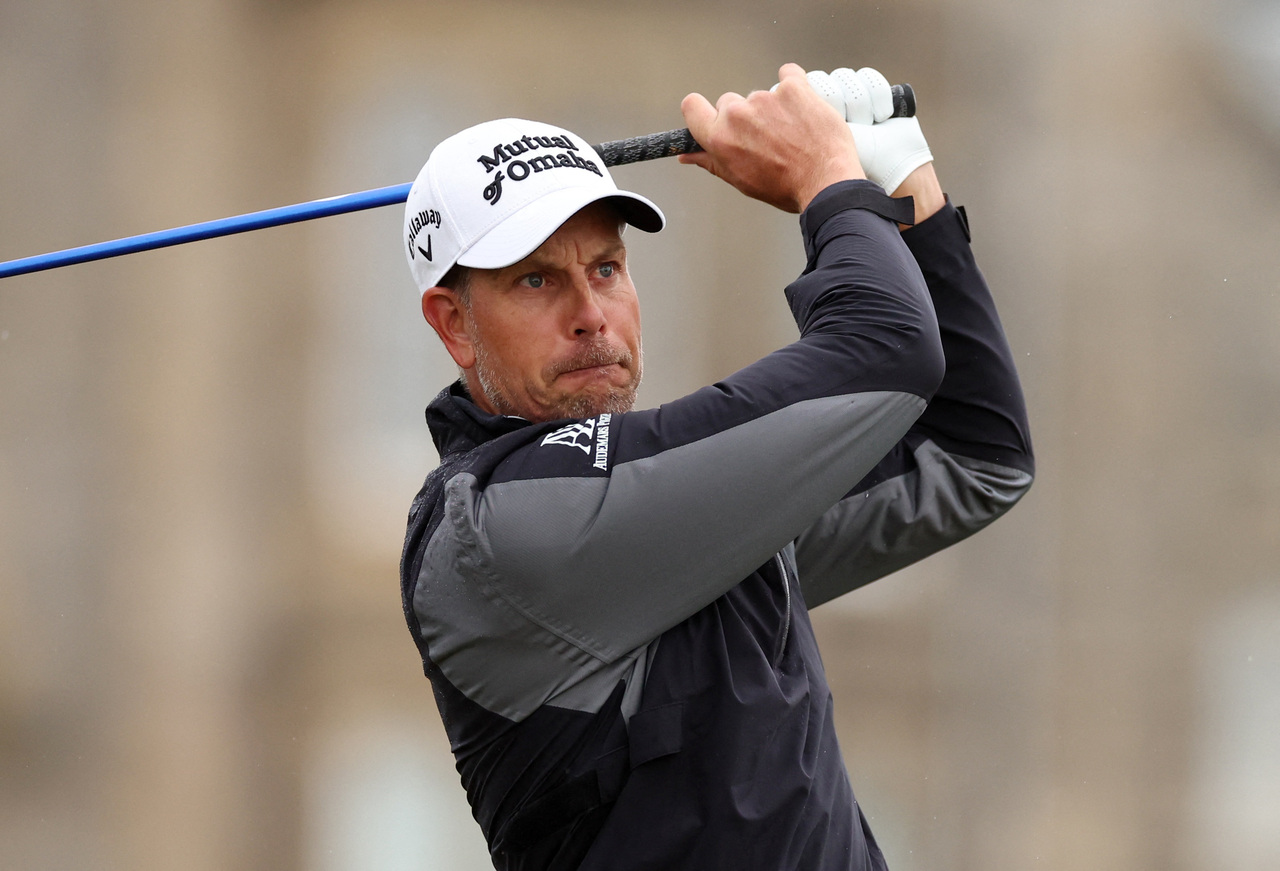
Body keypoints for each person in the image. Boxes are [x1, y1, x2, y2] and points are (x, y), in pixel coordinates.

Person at [398, 63, 1033, 871]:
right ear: (454, 325)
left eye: (606, 268)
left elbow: (972, 455)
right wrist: (829, 182)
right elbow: (886, 352)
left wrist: (904, 185)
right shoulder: (496, 529)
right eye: (536, 279)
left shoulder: (679, 506)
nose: (590, 315)